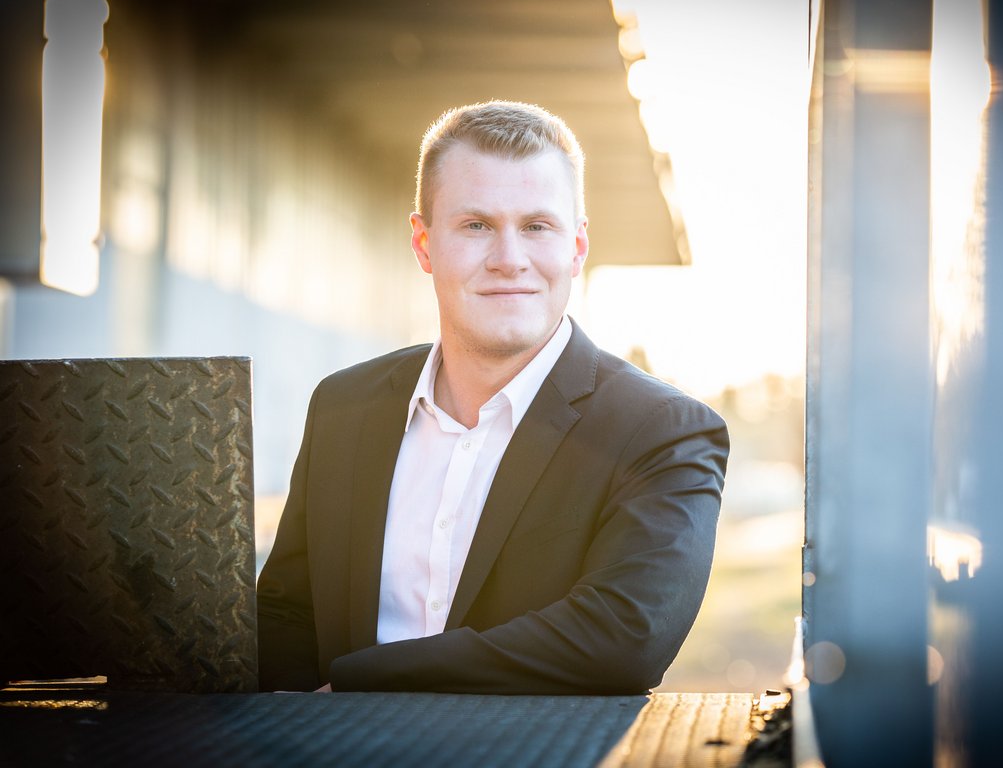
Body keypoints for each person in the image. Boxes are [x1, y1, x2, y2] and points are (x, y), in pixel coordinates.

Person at [256, 100, 729, 694]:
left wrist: (359, 686)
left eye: (537, 226)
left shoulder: (664, 431)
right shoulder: (342, 406)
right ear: (424, 244)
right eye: (476, 225)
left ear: (577, 246)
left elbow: (624, 638)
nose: (509, 260)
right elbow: (287, 615)